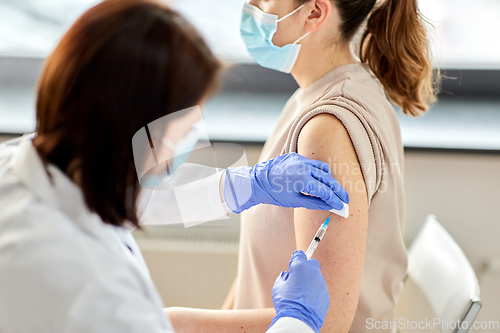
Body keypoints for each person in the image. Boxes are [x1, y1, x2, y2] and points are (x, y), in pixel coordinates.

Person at [0, 1, 345, 332]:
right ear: (134, 130)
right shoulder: (95, 292)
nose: (192, 136)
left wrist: (244, 185)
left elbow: (121, 194)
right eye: (186, 125)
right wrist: (297, 322)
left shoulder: (25, 168)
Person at [169, 0, 438, 332]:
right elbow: (254, 273)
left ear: (314, 13)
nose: (250, 5)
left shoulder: (326, 130)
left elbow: (328, 324)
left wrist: (176, 323)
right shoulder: (329, 90)